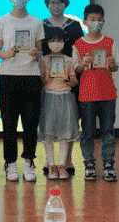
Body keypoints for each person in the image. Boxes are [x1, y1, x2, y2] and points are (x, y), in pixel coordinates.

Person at [0, 0, 44, 182]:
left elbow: (39, 51)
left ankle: (29, 162)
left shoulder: (36, 22)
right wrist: (6, 54)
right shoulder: (2, 21)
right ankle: (10, 163)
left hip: (31, 76)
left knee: (30, 123)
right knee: (9, 123)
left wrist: (36, 54)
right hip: (8, 76)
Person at [72, 3, 119, 183]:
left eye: (99, 20)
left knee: (108, 130)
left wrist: (112, 64)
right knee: (87, 132)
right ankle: (89, 164)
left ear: (103, 21)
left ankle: (108, 164)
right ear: (85, 22)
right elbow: (76, 69)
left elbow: (116, 67)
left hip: (107, 94)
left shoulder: (110, 42)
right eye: (92, 19)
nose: (96, 23)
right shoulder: (78, 44)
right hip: (87, 95)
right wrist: (82, 63)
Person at [41, 0, 84, 176]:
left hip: (70, 76)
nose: (55, 6)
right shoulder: (41, 25)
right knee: (50, 119)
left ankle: (67, 160)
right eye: (52, 2)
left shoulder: (74, 25)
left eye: (59, 2)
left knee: (70, 118)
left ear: (65, 4)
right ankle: (50, 162)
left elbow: (80, 49)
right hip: (49, 80)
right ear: (47, 4)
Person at [37, 28, 80, 180]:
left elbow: (74, 81)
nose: (56, 44)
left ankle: (62, 166)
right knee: (48, 133)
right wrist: (46, 78)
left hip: (65, 97)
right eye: (52, 41)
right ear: (47, 43)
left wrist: (69, 80)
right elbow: (41, 81)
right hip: (48, 97)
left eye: (59, 40)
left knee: (65, 132)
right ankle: (51, 166)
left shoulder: (68, 60)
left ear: (64, 42)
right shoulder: (43, 60)